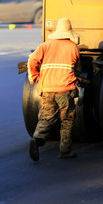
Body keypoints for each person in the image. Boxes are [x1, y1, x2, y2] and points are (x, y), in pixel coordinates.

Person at [27, 18, 80, 161]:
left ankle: (37, 140)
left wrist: (34, 76)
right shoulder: (73, 48)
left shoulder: (45, 46)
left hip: (47, 89)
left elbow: (32, 60)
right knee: (67, 120)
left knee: (46, 118)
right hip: (65, 90)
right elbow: (76, 69)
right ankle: (64, 151)